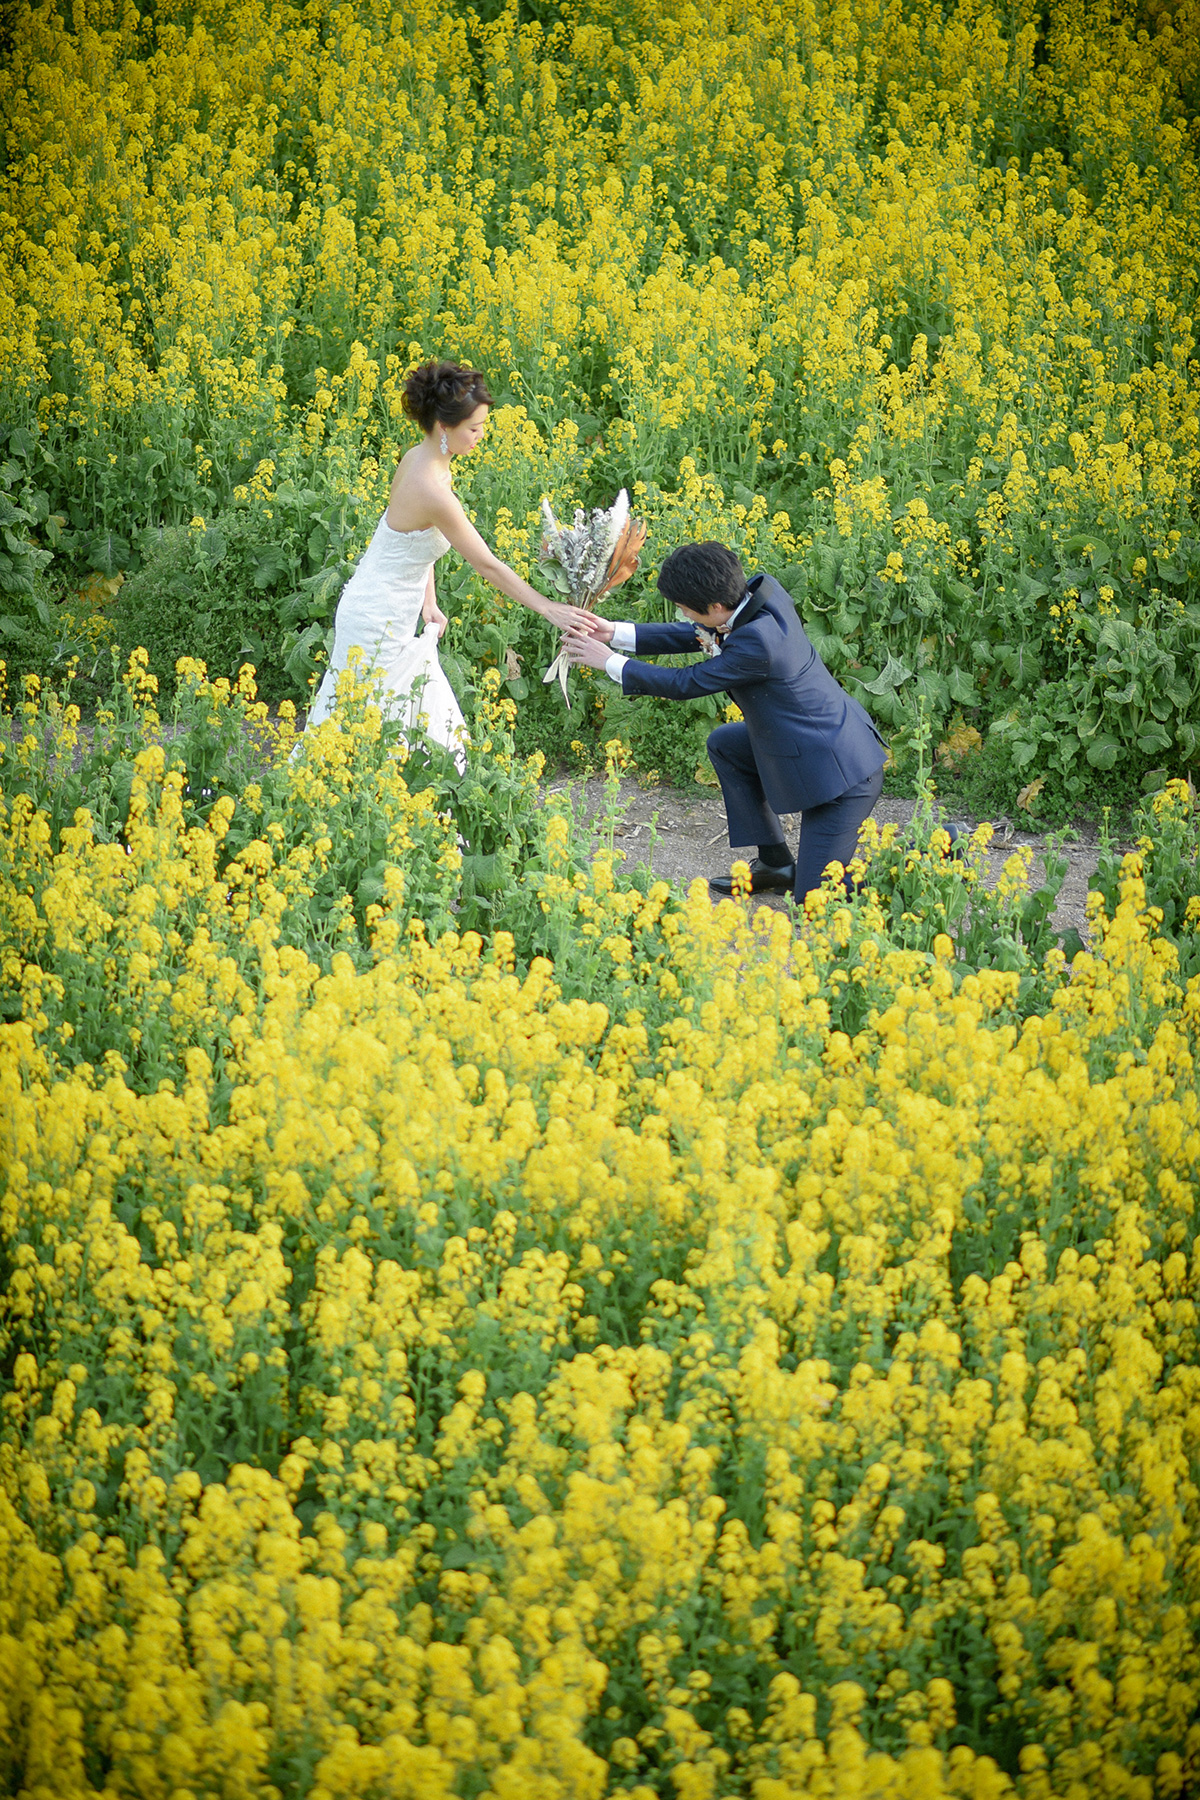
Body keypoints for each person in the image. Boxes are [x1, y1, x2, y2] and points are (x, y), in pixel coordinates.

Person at [565, 541, 887, 905]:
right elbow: (704, 632)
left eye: (686, 609)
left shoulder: (758, 644)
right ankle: (775, 865)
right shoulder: (759, 595)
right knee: (727, 745)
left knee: (814, 900)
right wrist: (614, 633)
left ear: (716, 606)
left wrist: (609, 661)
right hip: (811, 744)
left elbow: (684, 683)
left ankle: (929, 856)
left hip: (841, 776)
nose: (685, 615)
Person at [304, 360, 594, 763]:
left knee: (389, 723)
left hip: (387, 606)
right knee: (359, 726)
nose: (480, 437)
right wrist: (548, 608)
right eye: (474, 429)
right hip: (376, 619)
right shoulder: (432, 489)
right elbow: (487, 564)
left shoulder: (425, 459)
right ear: (444, 427)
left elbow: (412, 540)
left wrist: (429, 602)